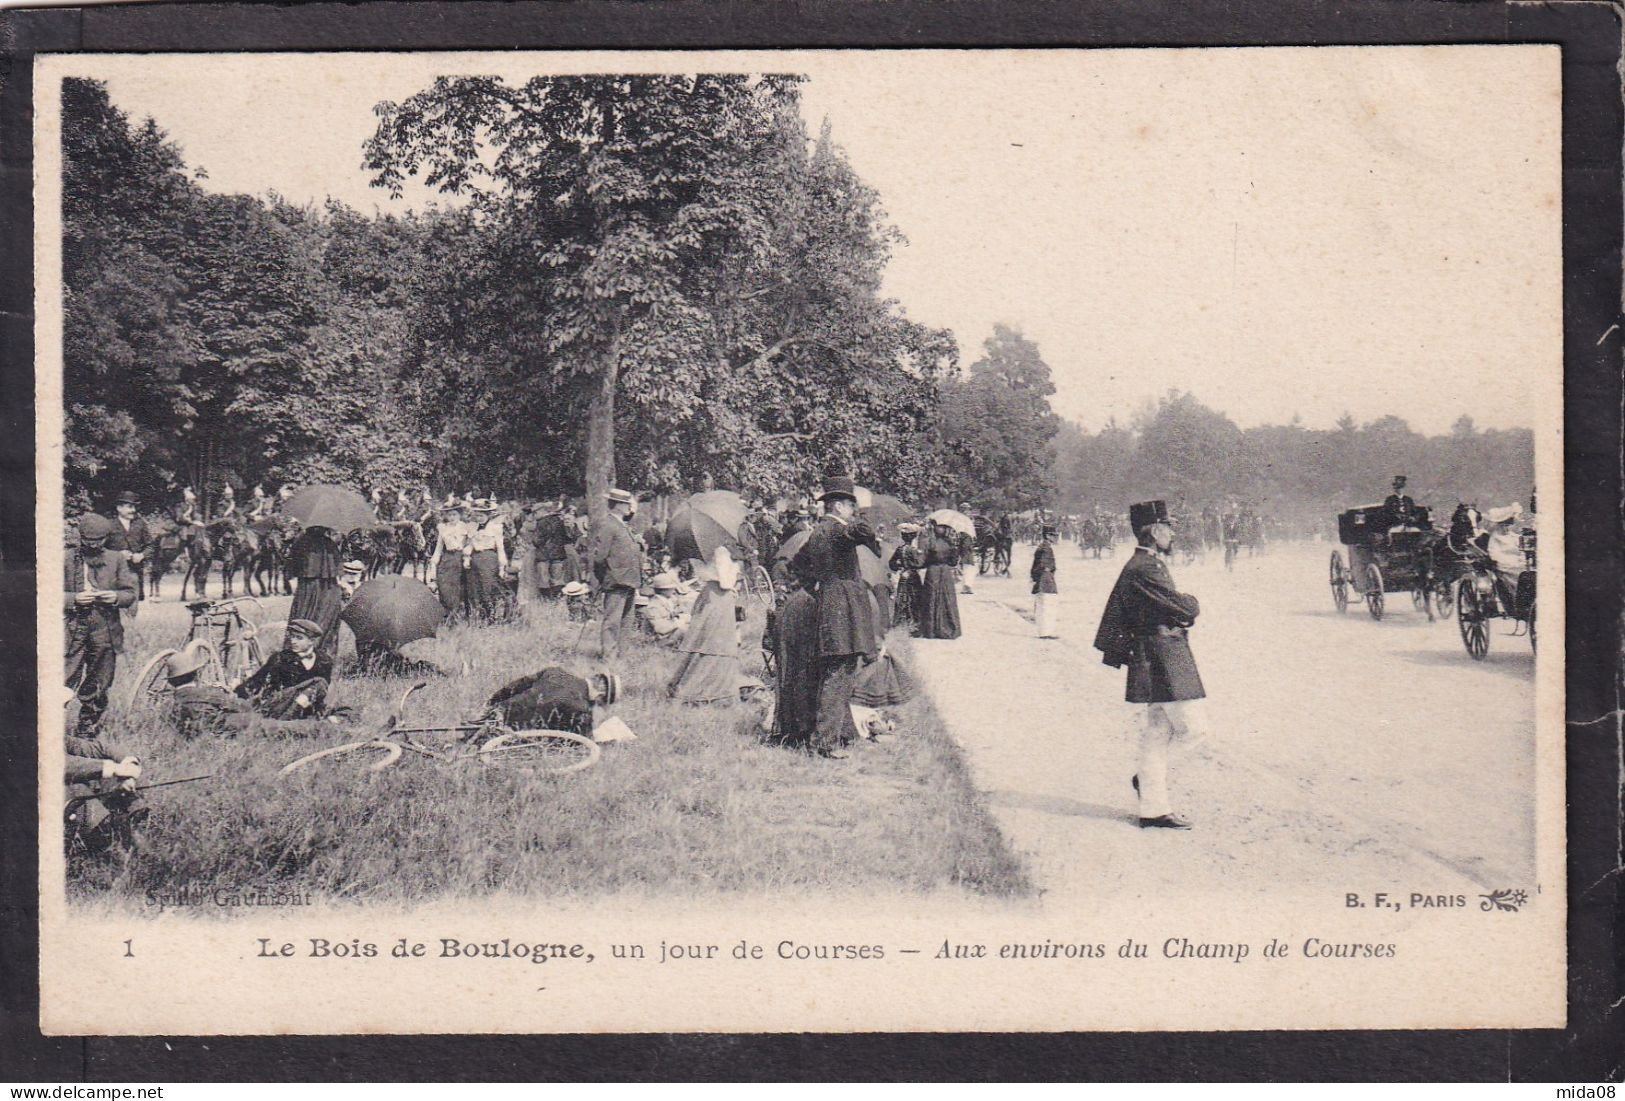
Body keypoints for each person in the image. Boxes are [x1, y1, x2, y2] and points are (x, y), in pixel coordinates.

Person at [1093, 500, 1206, 831]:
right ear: (1155, 531)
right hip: (1163, 653)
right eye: (1168, 527)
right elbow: (1184, 607)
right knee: (1195, 729)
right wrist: (1191, 603)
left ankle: (1153, 809)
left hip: (1155, 652)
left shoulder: (1142, 564)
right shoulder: (1147, 568)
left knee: (1158, 732)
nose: (1172, 533)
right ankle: (1147, 782)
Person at [790, 476, 882, 758]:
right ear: (840, 506)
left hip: (830, 605)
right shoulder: (837, 531)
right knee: (839, 673)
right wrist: (864, 510)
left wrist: (819, 589)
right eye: (851, 506)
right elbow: (864, 531)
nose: (853, 512)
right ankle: (824, 743)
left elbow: (798, 564)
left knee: (837, 670)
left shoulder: (818, 532)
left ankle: (843, 733)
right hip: (844, 609)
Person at [166, 643, 345, 739]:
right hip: (243, 726)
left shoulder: (174, 705)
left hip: (225, 731)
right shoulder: (205, 693)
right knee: (295, 729)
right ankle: (334, 729)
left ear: (172, 682)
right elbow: (243, 707)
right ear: (196, 675)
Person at [64, 514, 138, 735]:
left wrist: (114, 596)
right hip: (72, 626)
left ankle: (87, 728)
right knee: (63, 676)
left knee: (100, 678)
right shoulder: (65, 558)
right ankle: (50, 726)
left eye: (99, 540)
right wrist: (73, 599)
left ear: (106, 538)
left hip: (105, 627)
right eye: (88, 540)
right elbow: (45, 592)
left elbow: (130, 593)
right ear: (80, 536)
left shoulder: (116, 559)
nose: (93, 544)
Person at [667, 545, 745, 704]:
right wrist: (736, 568)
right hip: (720, 596)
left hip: (708, 594)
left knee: (702, 639)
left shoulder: (699, 552)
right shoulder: (721, 551)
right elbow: (725, 581)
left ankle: (687, 683)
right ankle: (714, 690)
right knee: (718, 642)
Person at [481, 667, 619, 740]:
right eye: (601, 704)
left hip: (499, 710)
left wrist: (494, 702)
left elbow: (518, 684)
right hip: (509, 731)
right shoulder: (581, 708)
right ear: (600, 696)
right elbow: (584, 743)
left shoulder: (555, 671)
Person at [232, 619, 332, 717]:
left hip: (308, 709)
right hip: (282, 707)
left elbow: (322, 692)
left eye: (299, 638)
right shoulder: (280, 658)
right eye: (292, 637)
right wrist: (237, 694)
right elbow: (257, 681)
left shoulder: (324, 661)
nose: (293, 641)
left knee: (320, 683)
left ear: (311, 641)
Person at [593, 488, 643, 663]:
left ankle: (622, 656)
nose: (630, 507)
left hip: (630, 580)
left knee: (626, 621)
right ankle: (609, 657)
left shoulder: (623, 525)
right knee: (612, 622)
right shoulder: (608, 525)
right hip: (616, 581)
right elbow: (599, 558)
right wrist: (605, 577)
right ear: (618, 505)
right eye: (627, 504)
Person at [285, 524, 344, 664]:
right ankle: (322, 656)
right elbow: (337, 569)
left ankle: (297, 656)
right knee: (325, 621)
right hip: (327, 590)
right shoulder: (329, 544)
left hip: (306, 589)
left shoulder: (300, 542)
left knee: (302, 617)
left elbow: (291, 567)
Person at [916, 521, 963, 640]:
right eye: (939, 526)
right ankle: (947, 627)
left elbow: (923, 561)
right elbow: (953, 562)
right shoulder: (950, 542)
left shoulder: (930, 541)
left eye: (942, 527)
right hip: (945, 572)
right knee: (945, 597)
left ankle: (931, 630)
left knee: (933, 597)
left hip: (934, 572)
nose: (940, 529)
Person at [427, 496, 472, 618]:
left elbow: (470, 543)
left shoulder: (465, 527)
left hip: (461, 558)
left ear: (459, 515)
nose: (451, 518)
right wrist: (434, 563)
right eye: (449, 515)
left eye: (454, 515)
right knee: (444, 586)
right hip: (447, 559)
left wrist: (467, 556)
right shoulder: (443, 528)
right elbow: (439, 547)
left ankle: (461, 614)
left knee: (460, 587)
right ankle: (448, 615)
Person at [106, 491, 150, 605]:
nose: (133, 510)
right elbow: (100, 549)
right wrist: (118, 555)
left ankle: (129, 621)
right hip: (113, 573)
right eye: (130, 507)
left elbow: (151, 545)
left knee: (132, 605)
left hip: (135, 572)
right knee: (113, 603)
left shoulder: (140, 524)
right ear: (119, 508)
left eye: (135, 507)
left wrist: (142, 555)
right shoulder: (108, 525)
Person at [531, 499, 573, 600]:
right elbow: (566, 538)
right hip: (558, 554)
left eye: (535, 513)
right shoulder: (559, 521)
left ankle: (547, 602)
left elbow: (536, 541)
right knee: (558, 580)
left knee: (543, 580)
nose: (534, 515)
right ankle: (558, 601)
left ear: (541, 511)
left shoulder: (541, 523)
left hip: (543, 556)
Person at [889, 524, 925, 633]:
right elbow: (919, 564)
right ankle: (914, 624)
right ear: (913, 537)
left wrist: (900, 566)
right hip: (913, 576)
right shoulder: (913, 550)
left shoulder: (900, 549)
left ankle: (901, 623)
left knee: (902, 598)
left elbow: (891, 563)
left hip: (903, 575)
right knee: (915, 599)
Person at [643, 571, 690, 643]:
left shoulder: (667, 601)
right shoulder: (654, 606)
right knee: (686, 629)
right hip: (658, 640)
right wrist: (679, 622)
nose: (674, 591)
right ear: (664, 590)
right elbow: (661, 629)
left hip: (668, 636)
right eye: (671, 588)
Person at [1032, 525, 1060, 639]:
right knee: (1047, 607)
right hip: (1046, 580)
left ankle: (1044, 632)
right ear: (1048, 536)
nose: (1056, 538)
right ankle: (1046, 632)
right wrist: (1047, 572)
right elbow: (1043, 565)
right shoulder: (1046, 548)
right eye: (1053, 535)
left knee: (1043, 607)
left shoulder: (1042, 546)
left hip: (1042, 580)